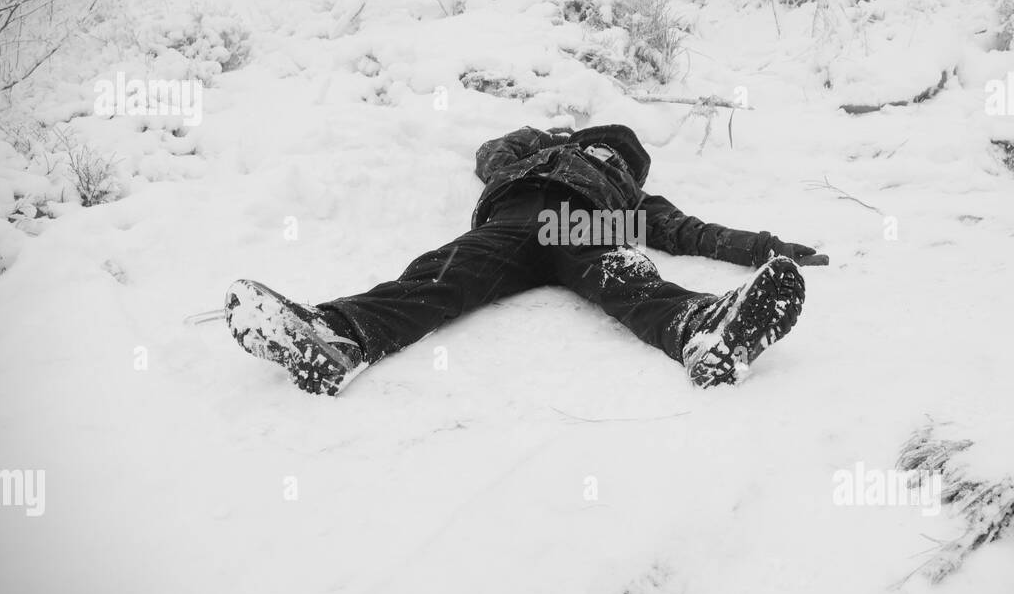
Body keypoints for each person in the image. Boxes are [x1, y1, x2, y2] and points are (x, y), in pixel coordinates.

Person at [225, 124, 827, 395]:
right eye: (600, 148)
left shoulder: (632, 201)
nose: (606, 159)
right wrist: (546, 139)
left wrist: (761, 245)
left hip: (584, 226)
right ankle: (339, 336)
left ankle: (706, 333)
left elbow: (690, 232)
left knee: (626, 277)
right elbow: (492, 150)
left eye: (617, 160)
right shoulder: (529, 158)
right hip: (510, 224)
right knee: (443, 273)